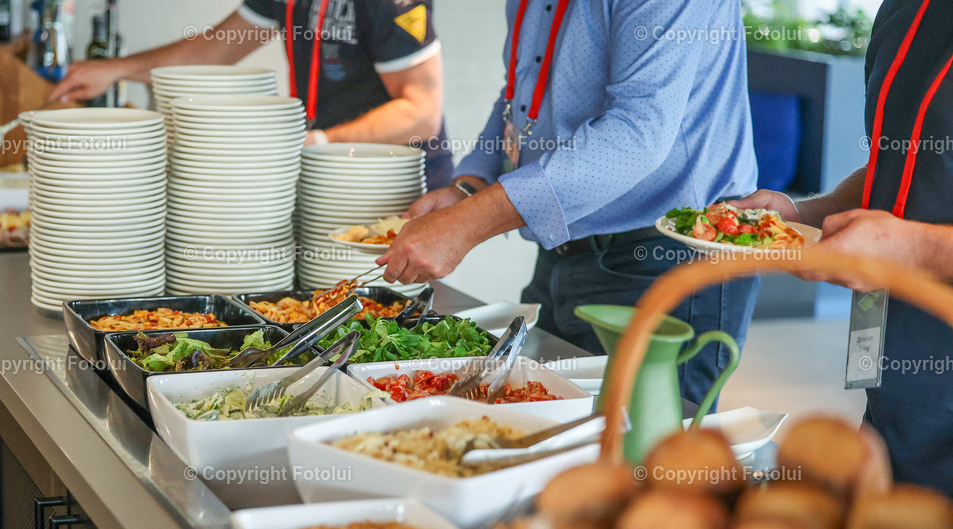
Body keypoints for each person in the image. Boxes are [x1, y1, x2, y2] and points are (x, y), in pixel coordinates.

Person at [377, 0, 760, 405]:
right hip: (561, 253)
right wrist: (470, 187)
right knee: (548, 437)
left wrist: (469, 222)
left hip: (666, 260)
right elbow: (521, 95)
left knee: (650, 457)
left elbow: (637, 133)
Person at [733, 0, 953, 494]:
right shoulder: (902, 11)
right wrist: (810, 214)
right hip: (897, 387)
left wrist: (913, 249)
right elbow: (905, 164)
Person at [48, 1, 455, 189]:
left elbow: (421, 113)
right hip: (321, 169)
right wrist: (118, 69)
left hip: (395, 182)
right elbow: (210, 51)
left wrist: (317, 141)